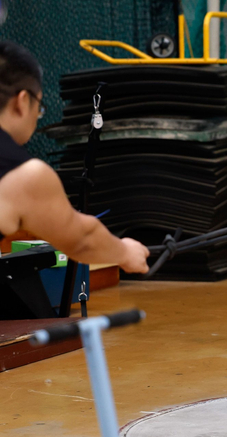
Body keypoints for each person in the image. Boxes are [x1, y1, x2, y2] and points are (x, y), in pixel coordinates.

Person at [0, 40, 150, 275]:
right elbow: (81, 239)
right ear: (23, 101)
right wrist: (125, 251)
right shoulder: (24, 175)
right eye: (39, 107)